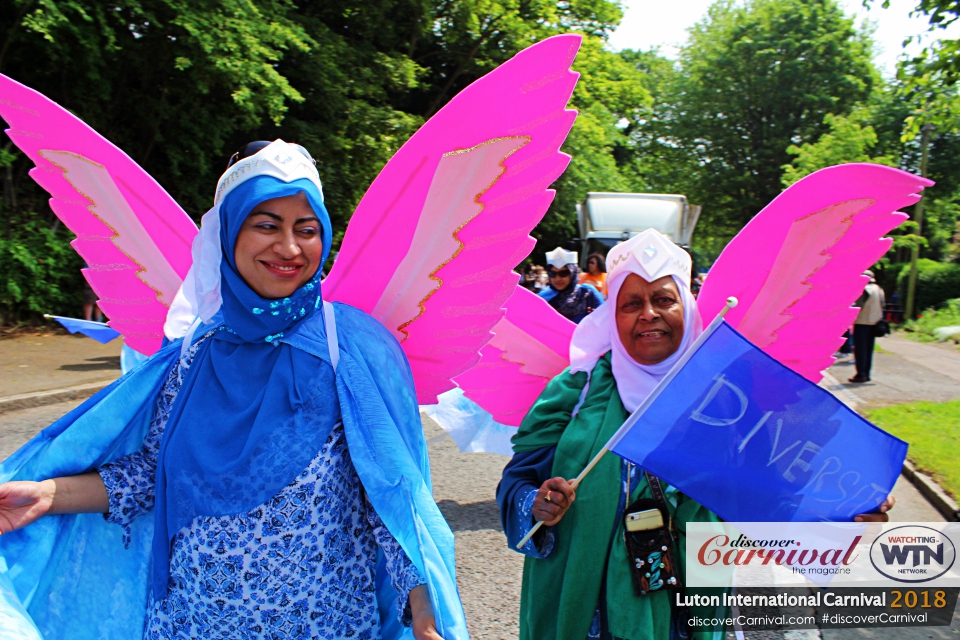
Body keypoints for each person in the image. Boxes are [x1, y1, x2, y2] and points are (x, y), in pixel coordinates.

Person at [0, 141, 463, 640]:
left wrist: (425, 610)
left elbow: (395, 496)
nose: (289, 248)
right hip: (187, 625)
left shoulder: (351, 348)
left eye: (306, 230)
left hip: (326, 628)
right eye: (266, 224)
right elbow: (155, 475)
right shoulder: (194, 353)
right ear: (228, 232)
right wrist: (46, 495)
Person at [497, 230, 894, 640]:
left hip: (682, 609)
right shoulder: (573, 390)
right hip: (578, 606)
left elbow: (766, 492)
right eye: (631, 303)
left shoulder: (726, 398)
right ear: (612, 317)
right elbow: (516, 483)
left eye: (664, 299)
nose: (648, 313)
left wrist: (847, 508)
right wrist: (537, 504)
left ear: (686, 306)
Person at [539, 247, 604, 324]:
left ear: (573, 272)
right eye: (552, 273)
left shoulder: (587, 293)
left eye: (563, 273)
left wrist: (597, 321)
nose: (558, 278)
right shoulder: (542, 298)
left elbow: (607, 322)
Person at [849, 269, 886, 383]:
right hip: (875, 322)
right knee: (869, 350)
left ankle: (861, 373)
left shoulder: (865, 289)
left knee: (860, 350)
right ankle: (867, 372)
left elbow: (857, 307)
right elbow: (883, 304)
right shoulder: (879, 289)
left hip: (862, 322)